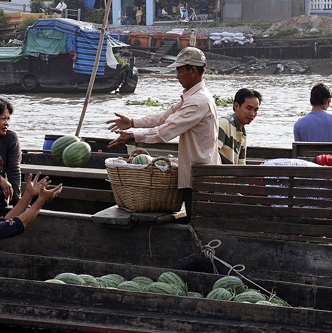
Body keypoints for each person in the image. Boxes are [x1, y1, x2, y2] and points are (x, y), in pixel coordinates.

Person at [107, 47, 220, 220]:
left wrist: (132, 136)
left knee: (198, 226)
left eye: (179, 71)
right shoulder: (192, 97)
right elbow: (163, 117)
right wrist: (133, 123)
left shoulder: (198, 102)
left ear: (193, 70)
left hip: (199, 176)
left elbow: (165, 131)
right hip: (196, 173)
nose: (177, 76)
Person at [218, 88, 262, 164]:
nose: (252, 114)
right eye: (249, 108)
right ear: (236, 106)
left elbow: (241, 165)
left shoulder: (242, 133)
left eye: (255, 110)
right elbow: (210, 154)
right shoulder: (224, 124)